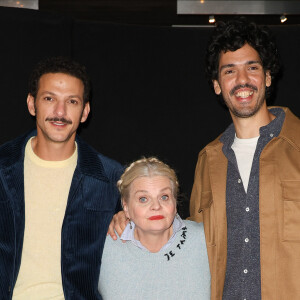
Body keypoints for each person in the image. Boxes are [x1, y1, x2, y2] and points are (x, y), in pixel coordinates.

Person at [189, 18, 300, 299]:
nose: (242, 80)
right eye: (229, 71)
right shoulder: (208, 160)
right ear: (217, 85)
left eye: (252, 67)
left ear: (268, 77)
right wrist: (131, 224)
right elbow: (190, 244)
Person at [0, 57, 123, 299]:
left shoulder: (111, 179)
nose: (60, 112)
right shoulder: (2, 166)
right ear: (31, 104)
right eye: (49, 99)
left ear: (85, 111)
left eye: (72, 101)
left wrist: (126, 220)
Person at [99, 157, 210, 300]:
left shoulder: (206, 240)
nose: (156, 206)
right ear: (125, 206)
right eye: (143, 199)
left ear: (175, 202)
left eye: (164, 197)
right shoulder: (102, 246)